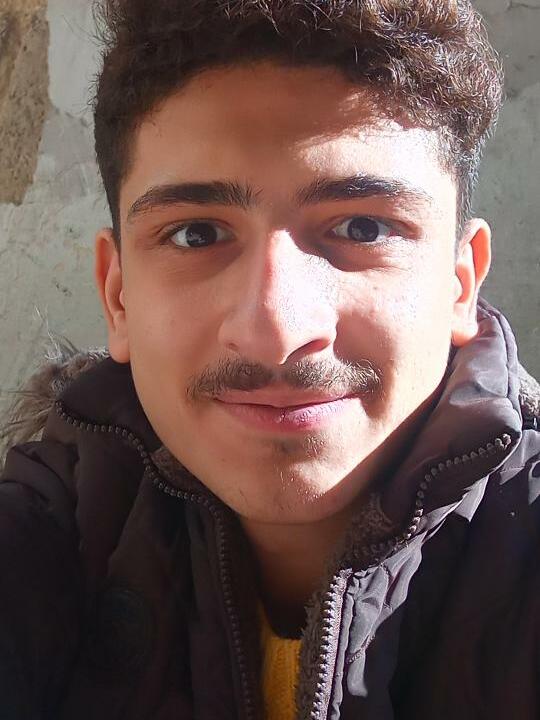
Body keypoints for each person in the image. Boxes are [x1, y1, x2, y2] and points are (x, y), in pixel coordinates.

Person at [1, 0, 539, 718]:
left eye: (363, 227)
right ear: (119, 295)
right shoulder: (44, 531)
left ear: (461, 283)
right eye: (196, 234)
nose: (276, 331)